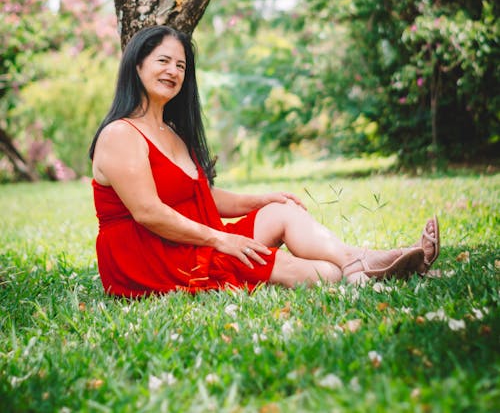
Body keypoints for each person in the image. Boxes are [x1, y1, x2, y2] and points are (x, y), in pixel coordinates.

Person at [90, 26, 440, 298]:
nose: (173, 71)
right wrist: (222, 241)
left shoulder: (173, 132)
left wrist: (263, 200)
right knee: (324, 275)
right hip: (148, 259)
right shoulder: (121, 135)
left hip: (190, 242)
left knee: (283, 211)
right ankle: (373, 264)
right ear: (136, 65)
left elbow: (202, 197)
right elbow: (148, 212)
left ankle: (358, 260)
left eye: (180, 65)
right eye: (163, 61)